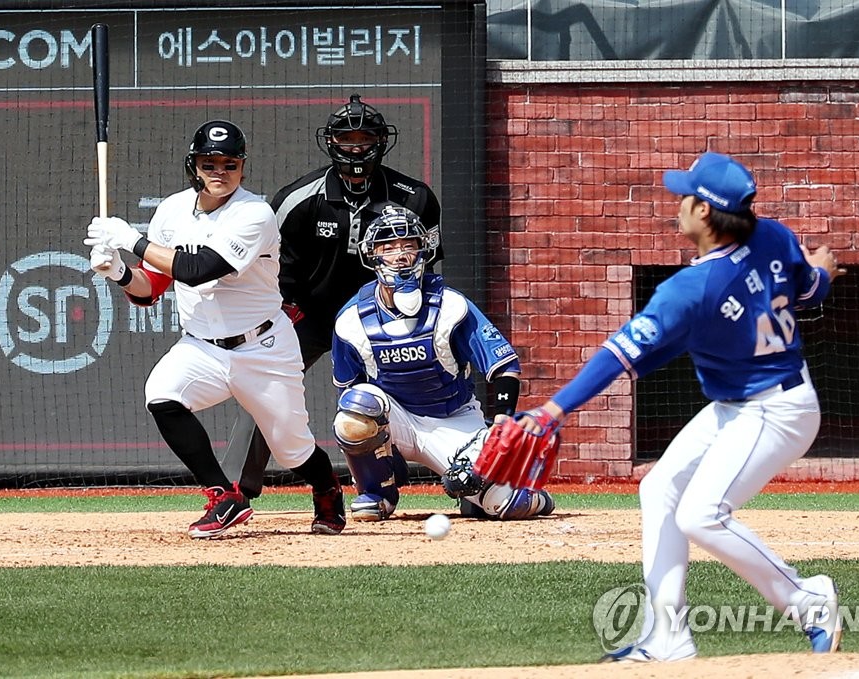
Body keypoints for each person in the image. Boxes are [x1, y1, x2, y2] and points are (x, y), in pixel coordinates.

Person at [511, 152, 845, 661]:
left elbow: (617, 352)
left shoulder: (691, 286)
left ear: (705, 213)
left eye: (685, 195)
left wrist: (552, 410)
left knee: (701, 515)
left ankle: (808, 600)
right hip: (744, 404)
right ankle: (667, 637)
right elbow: (806, 287)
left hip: (774, 411)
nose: (678, 202)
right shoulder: (773, 233)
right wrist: (821, 274)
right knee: (660, 487)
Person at [84, 119, 346, 538]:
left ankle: (326, 486)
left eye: (229, 163)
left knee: (291, 448)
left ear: (242, 167)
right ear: (194, 165)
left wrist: (129, 240)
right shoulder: (171, 211)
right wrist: (118, 272)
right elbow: (151, 288)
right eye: (209, 162)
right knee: (162, 395)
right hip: (202, 347)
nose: (219, 171)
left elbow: (199, 269)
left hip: (263, 347)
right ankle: (225, 496)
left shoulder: (254, 213)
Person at [221, 93, 442, 501]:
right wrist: (289, 315)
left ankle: (445, 470)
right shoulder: (297, 199)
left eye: (364, 137)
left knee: (411, 385)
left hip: (383, 317)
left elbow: (425, 267)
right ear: (331, 141)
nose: (355, 147)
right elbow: (273, 268)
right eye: (347, 138)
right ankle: (235, 489)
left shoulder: (414, 198)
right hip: (311, 314)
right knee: (265, 385)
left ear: (381, 140)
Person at [331, 205, 554, 521]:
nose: (400, 255)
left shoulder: (451, 305)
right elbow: (347, 389)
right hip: (397, 420)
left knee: (504, 505)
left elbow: (504, 366)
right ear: (372, 255)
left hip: (453, 419)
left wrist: (502, 423)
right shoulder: (351, 319)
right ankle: (377, 493)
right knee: (354, 410)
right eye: (389, 246)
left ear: (423, 250)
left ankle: (528, 495)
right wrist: (380, 453)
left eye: (408, 245)